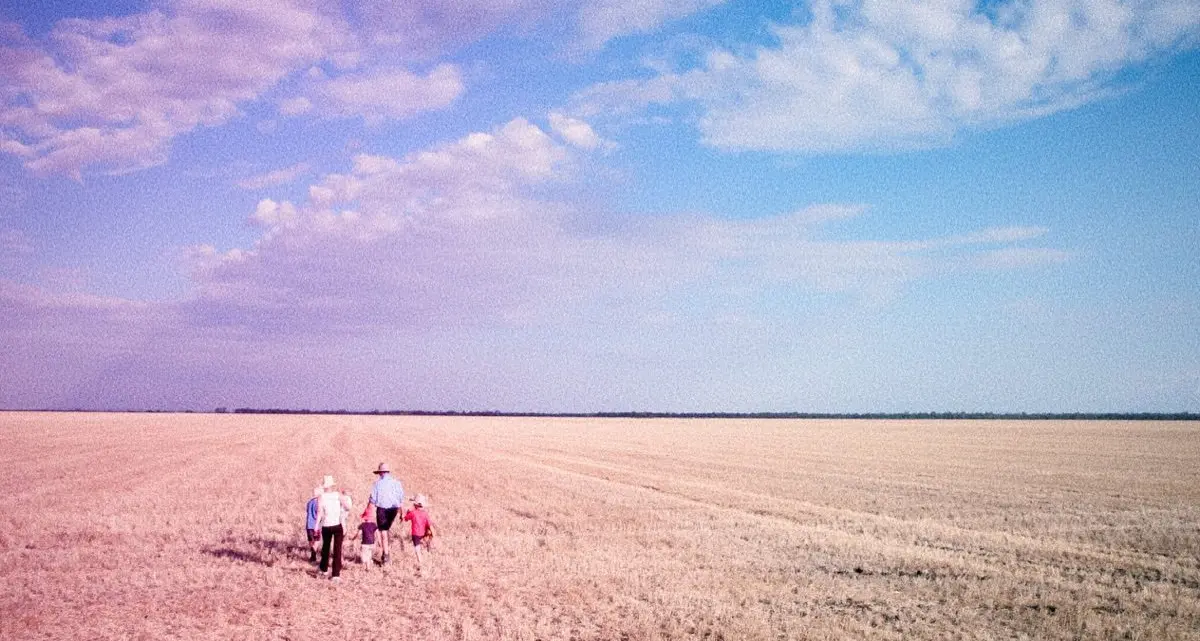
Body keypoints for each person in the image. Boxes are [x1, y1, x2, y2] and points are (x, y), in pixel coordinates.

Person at [314, 475, 352, 581]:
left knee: (325, 548)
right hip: (337, 525)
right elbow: (348, 506)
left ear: (324, 486)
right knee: (337, 550)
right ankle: (335, 575)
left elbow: (319, 513)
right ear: (332, 485)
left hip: (326, 525)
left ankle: (323, 569)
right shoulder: (337, 495)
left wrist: (316, 526)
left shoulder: (321, 497)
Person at [367, 462, 404, 564]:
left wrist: (367, 511)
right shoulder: (397, 483)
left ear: (381, 473)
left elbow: (373, 500)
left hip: (382, 509)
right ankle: (386, 549)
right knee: (386, 529)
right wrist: (401, 512)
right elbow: (400, 498)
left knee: (383, 531)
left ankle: (386, 555)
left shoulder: (377, 484)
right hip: (394, 509)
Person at [402, 494, 435, 577]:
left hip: (415, 534)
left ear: (415, 505)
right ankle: (428, 551)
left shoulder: (413, 513)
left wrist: (407, 512)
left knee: (417, 550)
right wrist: (432, 535)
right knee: (424, 544)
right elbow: (430, 525)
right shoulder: (425, 514)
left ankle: (421, 563)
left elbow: (405, 519)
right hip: (423, 533)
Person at [304, 486, 322, 563]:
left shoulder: (309, 502)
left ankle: (312, 553)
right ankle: (314, 554)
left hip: (309, 524)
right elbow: (319, 513)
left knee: (311, 540)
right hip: (316, 525)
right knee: (317, 540)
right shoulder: (318, 503)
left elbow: (308, 511)